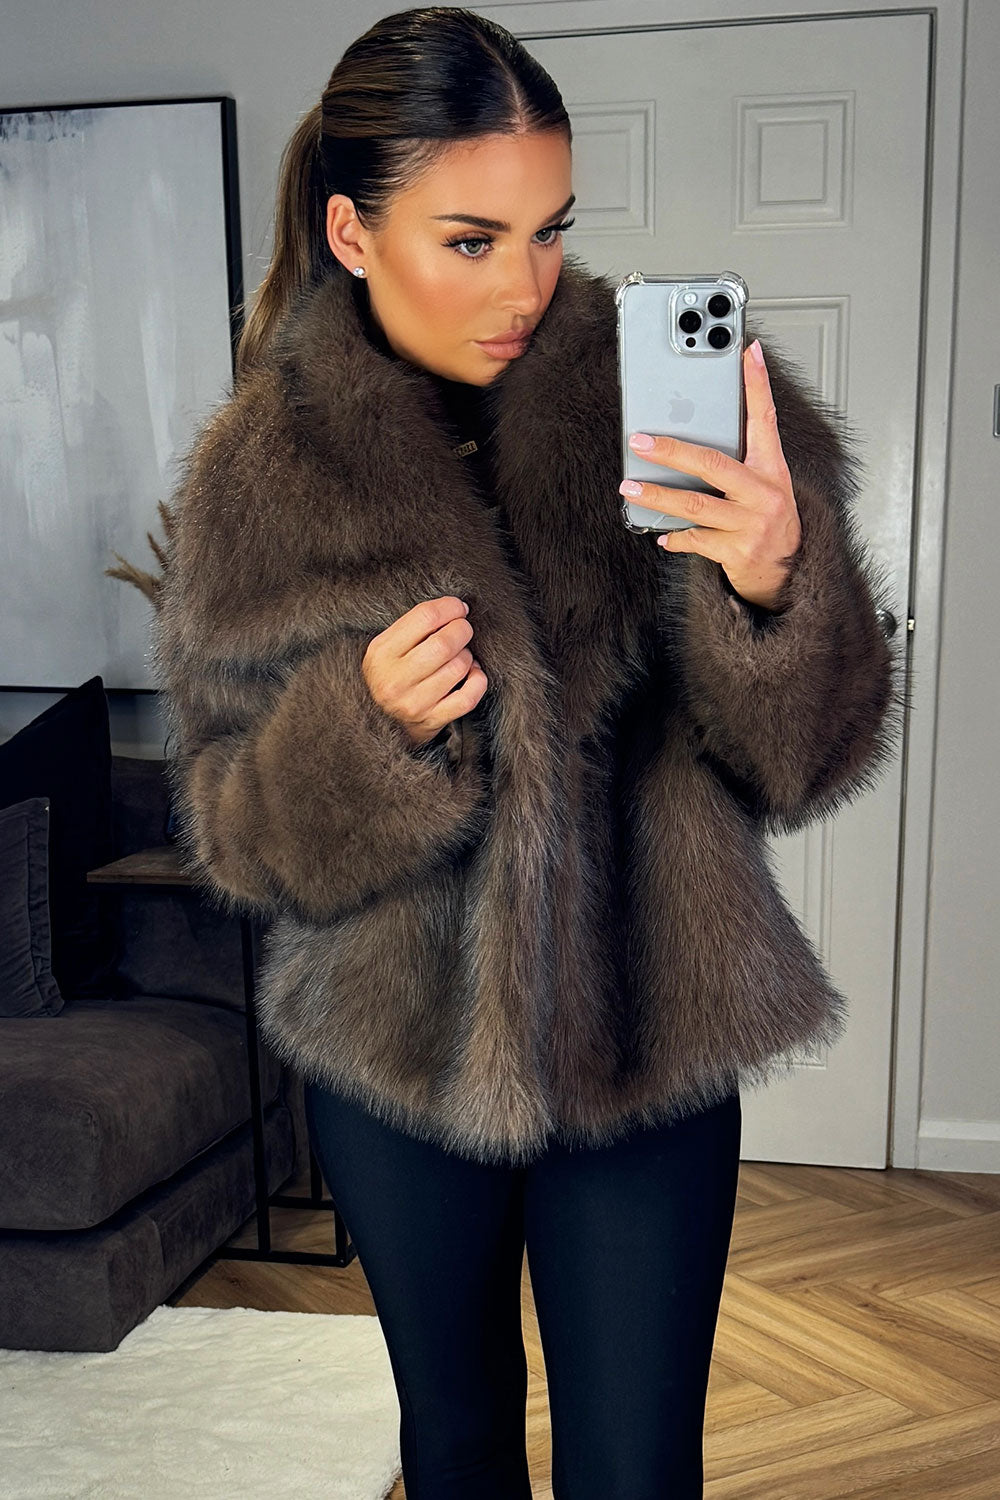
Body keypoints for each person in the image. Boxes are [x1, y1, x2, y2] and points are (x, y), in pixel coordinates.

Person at [108, 7, 904, 1495]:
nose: (525, 285)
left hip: (651, 1035)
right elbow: (232, 831)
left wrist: (775, 591)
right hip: (395, 1060)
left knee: (638, 1470)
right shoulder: (258, 481)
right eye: (471, 240)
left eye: (550, 232)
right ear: (351, 232)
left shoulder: (684, 418)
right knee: (458, 1445)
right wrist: (365, 732)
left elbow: (808, 762)